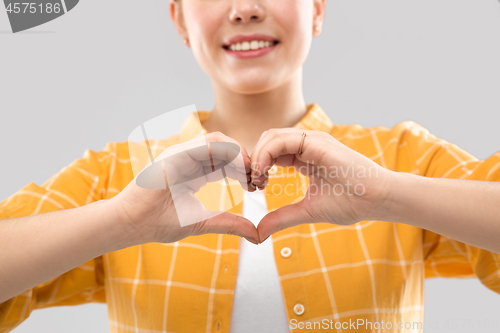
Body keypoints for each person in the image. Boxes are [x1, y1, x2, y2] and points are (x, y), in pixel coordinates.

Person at [1, 0, 499, 331]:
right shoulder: (119, 174)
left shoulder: (399, 160)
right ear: (179, 20)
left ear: (318, 9)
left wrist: (388, 193)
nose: (244, 10)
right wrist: (121, 220)